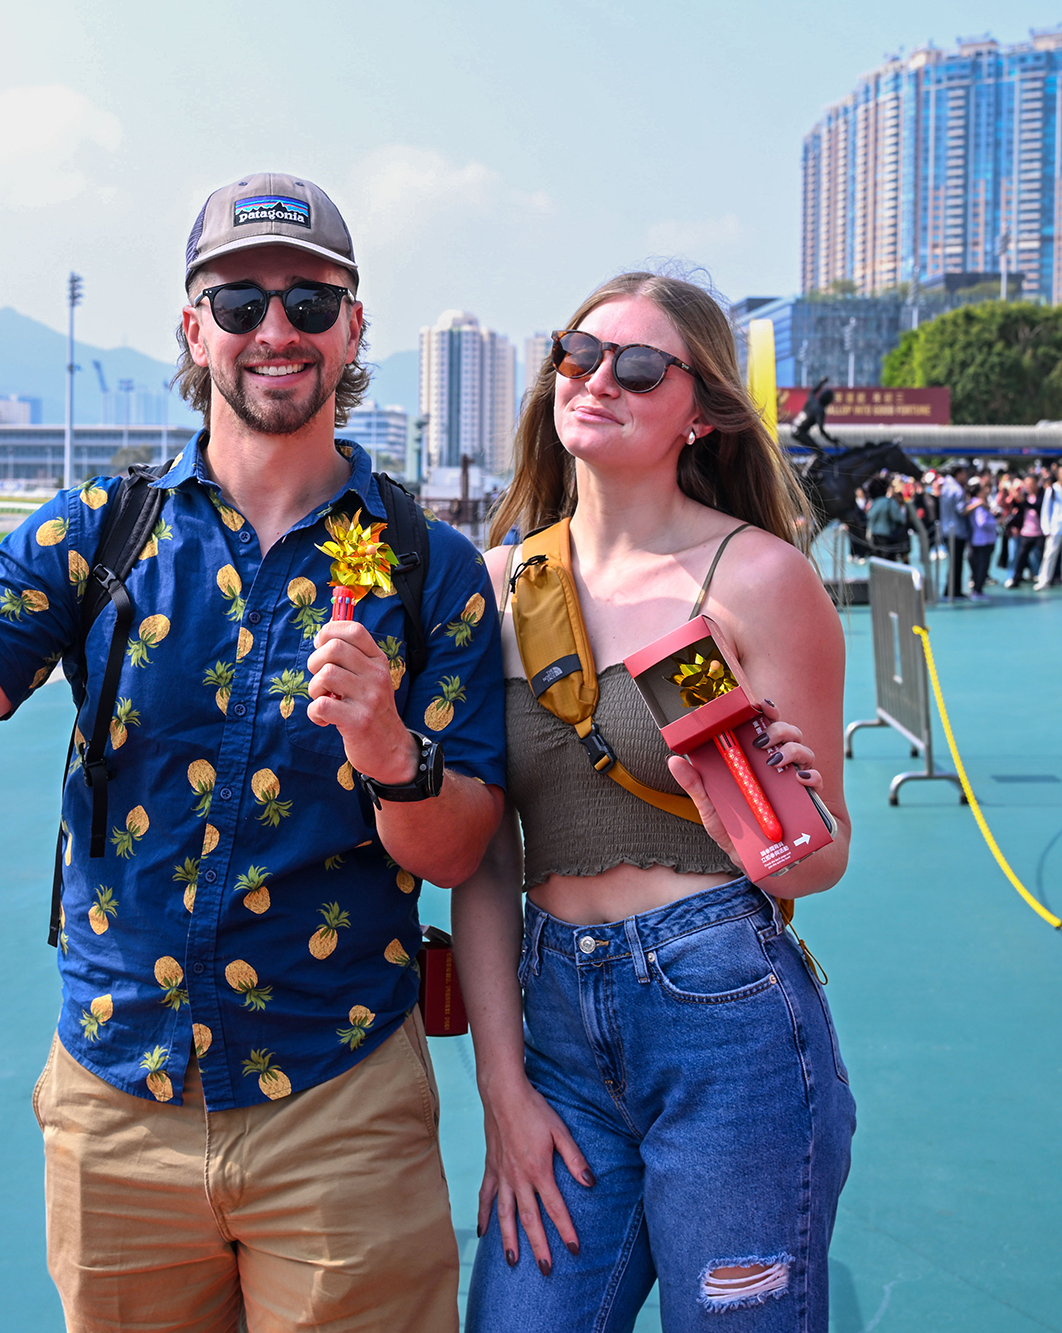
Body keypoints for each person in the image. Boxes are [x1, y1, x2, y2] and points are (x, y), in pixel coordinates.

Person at [0, 172, 508, 1332]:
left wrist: (388, 746)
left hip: (337, 1097)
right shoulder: (97, 532)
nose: (275, 329)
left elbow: (454, 850)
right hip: (116, 1101)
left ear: (353, 329)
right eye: (239, 303)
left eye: (308, 301)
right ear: (194, 331)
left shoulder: (425, 565)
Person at [453, 273, 856, 1332]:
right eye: (578, 353)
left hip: (726, 1015)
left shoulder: (758, 578)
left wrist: (757, 825)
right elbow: (485, 858)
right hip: (553, 1023)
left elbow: (821, 857)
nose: (597, 380)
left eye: (638, 367)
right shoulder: (497, 584)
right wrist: (502, 1087)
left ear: (702, 413)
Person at [1005, 474, 1043, 588]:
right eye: (1027, 485)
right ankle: (1015, 578)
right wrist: (1015, 495)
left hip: (1040, 532)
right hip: (1026, 532)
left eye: (1031, 484)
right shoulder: (1025, 496)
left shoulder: (1042, 496)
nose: (1029, 487)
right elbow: (1017, 508)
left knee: (1040, 557)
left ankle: (1042, 577)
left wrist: (1024, 501)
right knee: (1021, 557)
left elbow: (1037, 507)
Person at [937, 464, 969, 598]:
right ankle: (954, 590)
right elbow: (962, 510)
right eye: (964, 473)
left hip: (946, 529)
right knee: (956, 563)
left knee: (953, 562)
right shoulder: (957, 490)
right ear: (959, 473)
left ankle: (949, 590)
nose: (966, 476)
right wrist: (977, 504)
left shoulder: (945, 487)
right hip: (956, 530)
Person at [964, 476, 998, 599]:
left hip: (977, 539)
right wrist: (995, 522)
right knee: (982, 566)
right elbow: (982, 522)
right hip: (983, 540)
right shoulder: (979, 505)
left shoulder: (972, 503)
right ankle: (977, 591)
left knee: (977, 566)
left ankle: (977, 589)